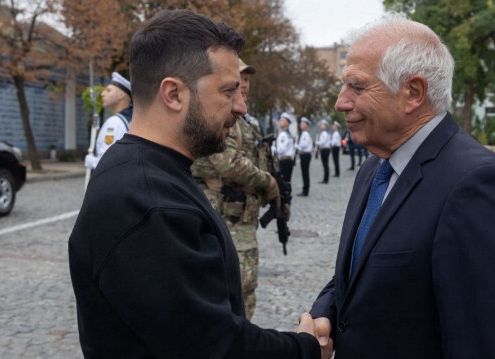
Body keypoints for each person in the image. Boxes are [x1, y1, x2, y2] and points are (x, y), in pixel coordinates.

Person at [69, 9, 331, 359]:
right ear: (174, 94)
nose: (240, 106)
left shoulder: (152, 172)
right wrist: (305, 349)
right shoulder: (146, 199)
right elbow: (214, 347)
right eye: (228, 91)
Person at [310, 13, 495, 358]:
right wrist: (324, 315)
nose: (341, 101)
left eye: (357, 86)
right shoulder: (374, 168)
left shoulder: (474, 185)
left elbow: (491, 343)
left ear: (413, 92)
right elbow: (363, 274)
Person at [191, 57, 278, 320]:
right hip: (225, 219)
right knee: (232, 295)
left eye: (248, 79)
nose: (245, 84)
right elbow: (228, 162)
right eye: (239, 79)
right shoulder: (217, 117)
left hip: (242, 220)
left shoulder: (245, 120)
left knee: (244, 292)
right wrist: (267, 181)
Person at [84, 72, 133, 170]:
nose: (102, 94)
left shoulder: (115, 122)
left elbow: (107, 161)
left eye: (108, 90)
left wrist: (92, 161)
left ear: (121, 95)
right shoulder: (131, 118)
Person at [274, 112, 295, 188]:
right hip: (287, 161)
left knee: (283, 184)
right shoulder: (287, 133)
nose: (280, 121)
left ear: (286, 123)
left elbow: (281, 150)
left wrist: (272, 149)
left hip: (284, 161)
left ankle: (285, 199)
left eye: (282, 120)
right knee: (286, 182)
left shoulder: (283, 135)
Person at [295, 117, 313, 196]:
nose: (301, 125)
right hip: (304, 154)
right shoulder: (303, 133)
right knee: (304, 173)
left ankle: (305, 190)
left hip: (305, 155)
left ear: (306, 125)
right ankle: (305, 189)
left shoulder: (305, 134)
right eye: (301, 123)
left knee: (305, 173)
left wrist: (295, 145)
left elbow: (303, 145)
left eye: (302, 123)